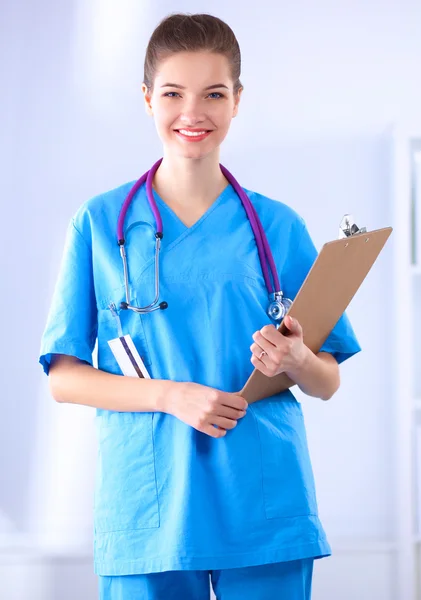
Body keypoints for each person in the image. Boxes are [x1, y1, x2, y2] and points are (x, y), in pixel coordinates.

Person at [39, 12, 361, 600]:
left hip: (262, 495)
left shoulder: (276, 226)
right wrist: (170, 395)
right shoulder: (99, 224)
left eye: (214, 93)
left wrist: (294, 360)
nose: (194, 112)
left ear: (237, 101)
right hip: (150, 499)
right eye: (173, 93)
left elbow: (327, 381)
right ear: (146, 99)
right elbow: (63, 378)